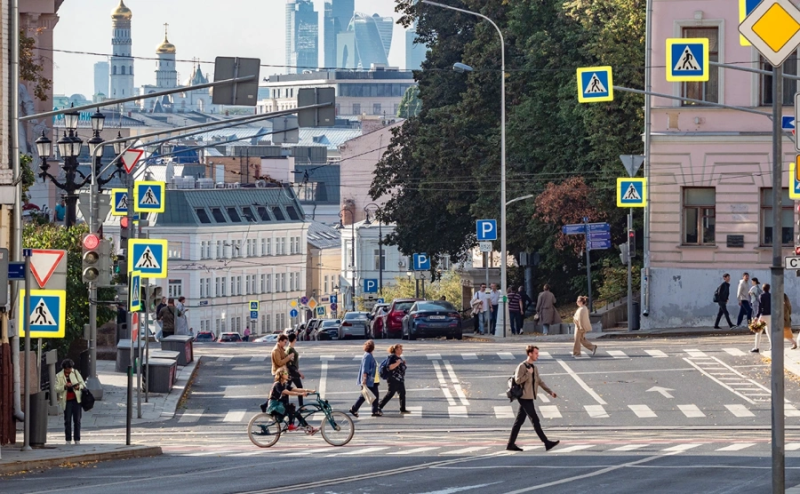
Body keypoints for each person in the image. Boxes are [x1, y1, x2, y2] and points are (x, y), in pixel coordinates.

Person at [507, 345, 560, 452]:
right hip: (524, 397)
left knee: (519, 422)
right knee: (535, 420)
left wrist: (550, 392)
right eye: (536, 353)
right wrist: (528, 373)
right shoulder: (522, 366)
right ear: (530, 354)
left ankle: (510, 444)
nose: (537, 355)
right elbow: (517, 380)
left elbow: (539, 381)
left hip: (530, 397)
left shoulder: (534, 368)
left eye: (537, 353)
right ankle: (546, 443)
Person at [261, 366, 316, 433]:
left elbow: (295, 389)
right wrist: (301, 394)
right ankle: (290, 425)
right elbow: (288, 392)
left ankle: (308, 428)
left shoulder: (284, 384)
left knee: (296, 412)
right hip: (274, 406)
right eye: (286, 373)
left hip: (279, 404)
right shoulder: (277, 384)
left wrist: (309, 390)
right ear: (281, 375)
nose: (287, 374)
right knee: (291, 406)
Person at [55, 359, 86, 445]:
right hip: (67, 400)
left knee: (77, 420)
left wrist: (78, 387)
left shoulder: (75, 372)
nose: (69, 370)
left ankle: (77, 439)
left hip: (77, 400)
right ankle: (68, 439)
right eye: (68, 369)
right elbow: (56, 388)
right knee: (67, 420)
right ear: (64, 368)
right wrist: (64, 386)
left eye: (70, 368)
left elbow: (83, 384)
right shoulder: (59, 376)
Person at [350, 339, 381, 417]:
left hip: (373, 380)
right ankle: (354, 409)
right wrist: (364, 379)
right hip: (369, 380)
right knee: (364, 395)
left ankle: (375, 411)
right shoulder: (367, 356)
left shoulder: (369, 355)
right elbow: (365, 368)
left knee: (375, 395)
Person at [379, 344, 409, 414]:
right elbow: (389, 367)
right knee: (390, 393)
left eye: (401, 349)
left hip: (399, 379)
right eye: (400, 349)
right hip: (393, 379)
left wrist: (402, 363)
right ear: (395, 350)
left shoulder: (399, 357)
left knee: (402, 393)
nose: (402, 350)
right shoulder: (392, 357)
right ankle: (379, 406)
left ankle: (403, 409)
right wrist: (397, 363)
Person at [753, 283, 772, 353]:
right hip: (770, 315)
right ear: (769, 289)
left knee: (758, 332)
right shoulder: (771, 296)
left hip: (763, 315)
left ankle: (756, 347)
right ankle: (772, 346)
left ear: (763, 289)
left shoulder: (761, 296)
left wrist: (756, 317)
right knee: (769, 331)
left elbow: (760, 307)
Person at [286, 333, 304, 406]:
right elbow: (291, 364)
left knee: (286, 388)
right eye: (295, 338)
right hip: (293, 372)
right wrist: (299, 373)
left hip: (291, 372)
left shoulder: (290, 348)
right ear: (294, 339)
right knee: (300, 388)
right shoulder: (290, 349)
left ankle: (285, 404)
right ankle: (301, 405)